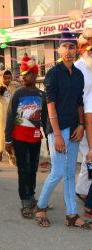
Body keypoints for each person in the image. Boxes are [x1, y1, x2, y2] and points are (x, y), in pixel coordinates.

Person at [34, 28, 90, 229]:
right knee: (58, 172)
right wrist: (57, 134)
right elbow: (50, 105)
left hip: (75, 128)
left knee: (69, 172)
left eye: (72, 47)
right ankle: (40, 206)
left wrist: (82, 125)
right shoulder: (52, 74)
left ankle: (72, 214)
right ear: (58, 50)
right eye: (65, 46)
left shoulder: (78, 75)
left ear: (77, 50)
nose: (68, 50)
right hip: (57, 129)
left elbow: (79, 103)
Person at [5, 60, 47, 218]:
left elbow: (45, 119)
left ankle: (32, 197)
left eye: (27, 74)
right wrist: (8, 139)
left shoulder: (41, 95)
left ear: (35, 75)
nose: (23, 77)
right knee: (24, 169)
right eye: (22, 75)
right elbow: (10, 117)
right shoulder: (18, 93)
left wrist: (50, 138)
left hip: (35, 138)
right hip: (19, 137)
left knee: (33, 168)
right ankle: (25, 201)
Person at [75, 28, 92, 202]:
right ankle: (82, 190)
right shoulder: (78, 68)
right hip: (82, 121)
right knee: (89, 155)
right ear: (81, 48)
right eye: (88, 46)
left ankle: (84, 189)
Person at [0, 70, 18, 165]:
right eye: (5, 78)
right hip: (3, 113)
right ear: (2, 78)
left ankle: (11, 155)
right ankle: (0, 151)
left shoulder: (15, 85)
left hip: (14, 112)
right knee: (2, 132)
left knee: (13, 133)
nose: (7, 80)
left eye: (9, 78)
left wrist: (18, 80)